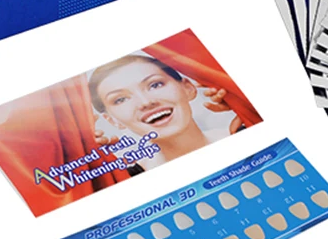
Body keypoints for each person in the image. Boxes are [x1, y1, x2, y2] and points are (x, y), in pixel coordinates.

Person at [88, 54, 244, 166]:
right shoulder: (125, 178)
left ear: (188, 88)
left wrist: (244, 105)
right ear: (112, 120)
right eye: (120, 99)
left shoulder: (243, 131)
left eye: (155, 85)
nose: (146, 102)